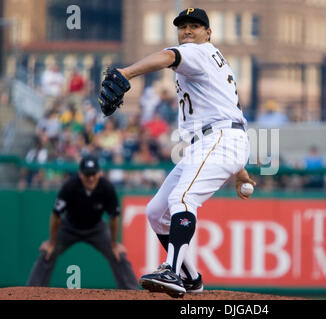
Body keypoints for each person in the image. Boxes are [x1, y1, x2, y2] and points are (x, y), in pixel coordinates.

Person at [98, 8, 256, 297]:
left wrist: (126, 72)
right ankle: (191, 277)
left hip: (218, 139)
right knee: (157, 212)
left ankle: (171, 270)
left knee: (182, 198)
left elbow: (168, 56)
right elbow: (228, 111)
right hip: (214, 141)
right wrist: (240, 171)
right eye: (182, 26)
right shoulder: (213, 61)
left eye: (195, 26)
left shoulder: (199, 52)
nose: (187, 31)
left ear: (208, 33)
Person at [26, 155, 139, 290]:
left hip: (96, 228)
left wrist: (114, 244)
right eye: (87, 174)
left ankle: (133, 292)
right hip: (69, 227)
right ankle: (32, 291)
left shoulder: (107, 188)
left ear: (100, 173)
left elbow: (114, 218)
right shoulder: (70, 186)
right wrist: (51, 242)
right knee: (48, 253)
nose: (91, 178)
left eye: (94, 174)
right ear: (80, 174)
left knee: (118, 254)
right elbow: (56, 215)